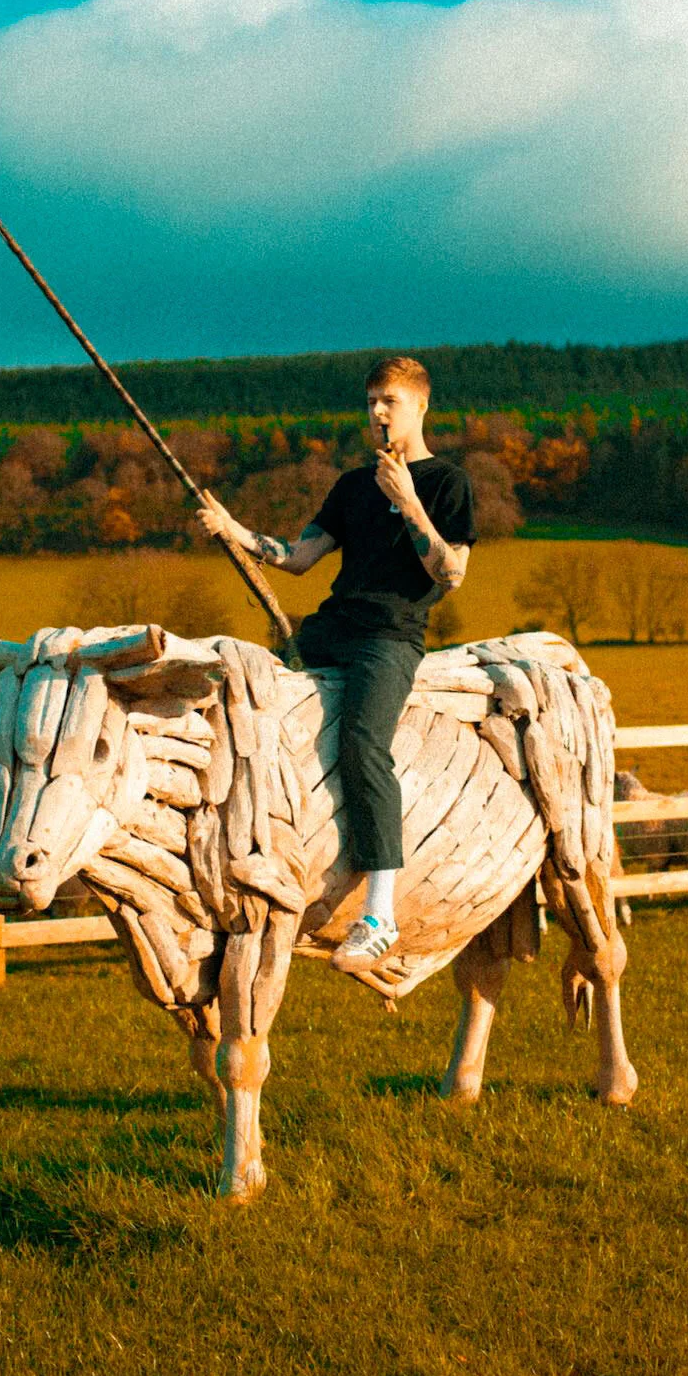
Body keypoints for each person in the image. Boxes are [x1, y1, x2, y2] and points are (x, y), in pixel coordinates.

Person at [197, 356, 477, 971]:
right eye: (372, 400)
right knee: (247, 702)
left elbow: (450, 573)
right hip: (331, 629)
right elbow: (297, 558)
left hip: (390, 637)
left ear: (421, 407)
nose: (378, 413)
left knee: (361, 741)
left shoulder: (446, 482)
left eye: (391, 402)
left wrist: (407, 500)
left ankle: (378, 913)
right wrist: (234, 530)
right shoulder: (352, 486)